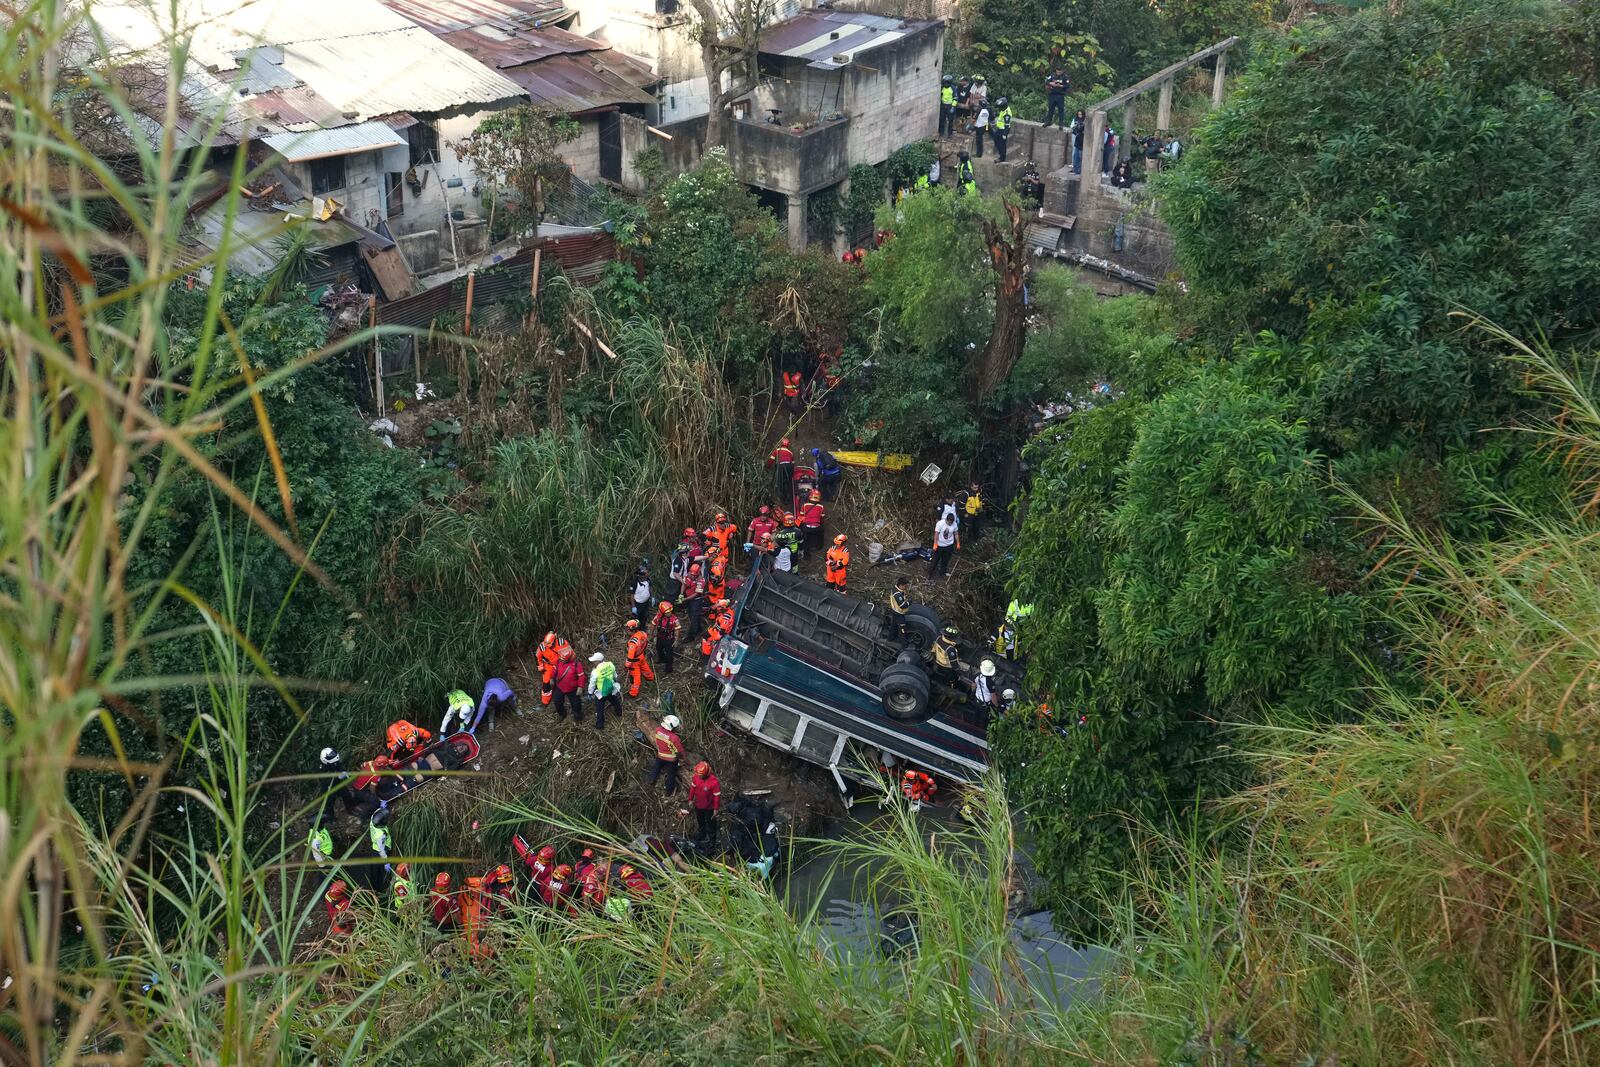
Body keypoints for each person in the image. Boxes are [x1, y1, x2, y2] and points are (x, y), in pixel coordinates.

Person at [648, 713, 684, 795]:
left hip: (660, 755)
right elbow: (680, 751)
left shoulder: (658, 730)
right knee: (671, 774)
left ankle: (650, 780)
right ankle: (668, 791)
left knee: (656, 767)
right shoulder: (674, 738)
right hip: (671, 760)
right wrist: (683, 759)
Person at [535, 631, 571, 707]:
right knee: (546, 683)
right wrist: (541, 668)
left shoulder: (561, 642)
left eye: (550, 644)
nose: (548, 646)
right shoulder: (542, 647)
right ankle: (545, 702)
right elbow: (538, 658)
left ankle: (570, 697)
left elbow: (570, 653)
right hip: (549, 666)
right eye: (546, 643)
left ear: (554, 641)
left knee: (569, 678)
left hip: (562, 664)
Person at [550, 647, 586, 721]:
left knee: (576, 704)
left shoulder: (576, 664)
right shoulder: (558, 662)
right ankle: (562, 714)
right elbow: (554, 670)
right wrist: (551, 678)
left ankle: (578, 717)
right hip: (560, 686)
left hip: (572, 689)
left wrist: (580, 687)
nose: (561, 659)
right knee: (557, 701)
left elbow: (581, 676)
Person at [689, 761, 721, 844]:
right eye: (698, 774)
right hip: (698, 805)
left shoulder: (714, 782)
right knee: (700, 821)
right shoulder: (696, 777)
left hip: (709, 808)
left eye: (701, 775)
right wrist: (690, 799)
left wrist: (716, 809)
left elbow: (717, 796)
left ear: (706, 773)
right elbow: (693, 788)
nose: (699, 776)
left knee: (711, 824)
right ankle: (702, 834)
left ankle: (712, 841)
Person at [588, 651, 621, 729]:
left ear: (598, 661)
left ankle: (600, 725)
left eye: (594, 661)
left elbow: (592, 683)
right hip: (611, 689)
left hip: (601, 693)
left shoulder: (595, 672)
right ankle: (619, 713)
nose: (593, 662)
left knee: (599, 709)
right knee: (615, 701)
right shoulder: (610, 664)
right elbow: (615, 675)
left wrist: (590, 692)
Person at [624, 618, 655, 697]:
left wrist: (626, 666)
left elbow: (630, 657)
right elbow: (646, 644)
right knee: (645, 667)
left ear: (632, 630)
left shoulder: (632, 643)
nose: (626, 631)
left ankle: (633, 693)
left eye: (627, 629)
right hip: (641, 655)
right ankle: (650, 677)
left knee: (635, 677)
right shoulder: (643, 633)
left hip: (634, 660)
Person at [652, 600, 680, 673]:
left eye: (670, 611)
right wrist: (652, 636)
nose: (669, 613)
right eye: (667, 612)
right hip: (659, 637)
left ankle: (669, 668)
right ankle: (661, 659)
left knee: (669, 655)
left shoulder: (674, 619)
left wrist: (676, 640)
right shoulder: (658, 617)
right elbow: (653, 625)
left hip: (669, 639)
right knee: (659, 649)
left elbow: (677, 629)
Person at [929, 512, 959, 578]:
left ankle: (943, 572)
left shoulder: (954, 524)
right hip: (940, 545)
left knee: (945, 560)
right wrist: (935, 544)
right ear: (946, 520)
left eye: (951, 523)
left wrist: (958, 543)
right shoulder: (940, 523)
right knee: (935, 560)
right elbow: (936, 534)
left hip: (949, 545)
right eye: (949, 522)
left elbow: (956, 534)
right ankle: (930, 573)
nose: (950, 524)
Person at [990, 96, 1013, 161]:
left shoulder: (1007, 114)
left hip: (1003, 130)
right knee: (995, 139)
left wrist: (1005, 134)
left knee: (1002, 144)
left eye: (1000, 107)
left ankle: (1002, 157)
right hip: (1000, 129)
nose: (999, 108)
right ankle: (1000, 152)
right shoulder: (1003, 110)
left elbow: (1007, 124)